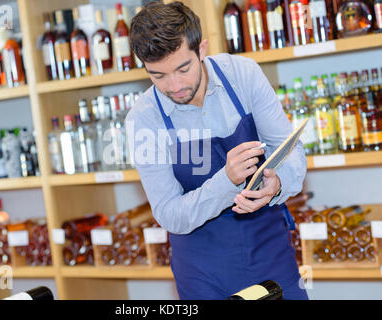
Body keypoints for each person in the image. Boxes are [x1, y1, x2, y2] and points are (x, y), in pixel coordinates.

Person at [126, 1, 308, 300]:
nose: (174, 86)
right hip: (202, 270)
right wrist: (226, 181)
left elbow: (290, 150)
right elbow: (168, 213)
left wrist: (278, 184)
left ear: (201, 49)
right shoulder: (143, 119)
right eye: (158, 76)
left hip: (270, 250)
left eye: (183, 68)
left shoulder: (243, 75)